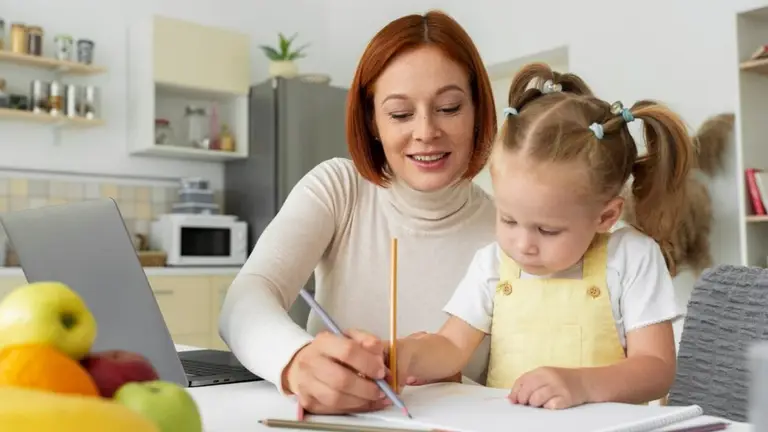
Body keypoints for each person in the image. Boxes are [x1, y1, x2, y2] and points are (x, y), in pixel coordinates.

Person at [218, 10, 498, 415]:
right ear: (373, 122)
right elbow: (243, 300)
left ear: (476, 111)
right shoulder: (339, 187)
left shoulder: (509, 232)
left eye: (450, 107)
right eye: (400, 114)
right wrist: (295, 361)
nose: (425, 131)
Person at [392, 62, 692, 410]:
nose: (523, 245)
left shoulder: (632, 257)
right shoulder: (492, 263)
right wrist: (405, 355)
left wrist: (582, 384)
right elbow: (452, 348)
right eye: (508, 220)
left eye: (548, 230)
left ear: (606, 216)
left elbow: (657, 369)